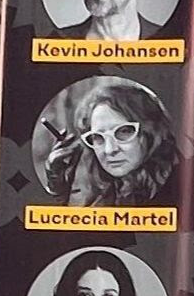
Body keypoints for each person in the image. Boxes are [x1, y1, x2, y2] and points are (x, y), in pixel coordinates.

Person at [42, 77, 177, 207]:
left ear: (151, 133)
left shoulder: (178, 190)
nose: (109, 150)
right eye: (98, 137)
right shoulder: (107, 194)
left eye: (124, 131)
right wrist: (59, 192)